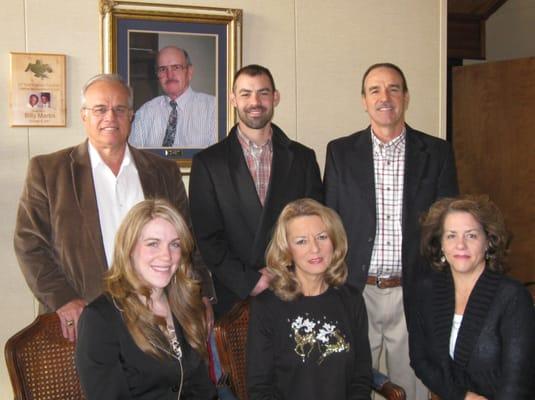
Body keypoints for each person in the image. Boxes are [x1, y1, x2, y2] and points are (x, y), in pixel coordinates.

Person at [14, 73, 214, 342]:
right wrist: (63, 298)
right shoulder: (49, 171)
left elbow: (188, 238)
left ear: (131, 115)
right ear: (84, 115)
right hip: (85, 317)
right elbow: (29, 244)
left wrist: (200, 292)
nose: (110, 117)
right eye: (100, 109)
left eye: (119, 109)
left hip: (158, 314)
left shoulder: (163, 171)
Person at [324, 62, 459, 399]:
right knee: (352, 385)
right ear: (363, 100)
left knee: (411, 388)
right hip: (357, 291)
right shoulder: (339, 152)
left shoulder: (437, 152)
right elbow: (330, 224)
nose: (385, 97)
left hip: (413, 293)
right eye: (375, 90)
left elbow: (449, 226)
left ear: (406, 97)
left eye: (393, 88)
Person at [189, 64, 323, 317]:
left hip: (294, 288)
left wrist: (284, 272)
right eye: (245, 93)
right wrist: (247, 280)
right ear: (233, 100)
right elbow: (205, 237)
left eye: (263, 93)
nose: (255, 102)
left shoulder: (303, 158)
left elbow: (314, 228)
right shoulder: (209, 163)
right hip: (235, 296)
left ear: (275, 97)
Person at [76, 199, 217, 399]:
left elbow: (203, 389)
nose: (166, 256)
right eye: (153, 244)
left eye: (175, 244)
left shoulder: (184, 304)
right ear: (130, 248)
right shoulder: (100, 319)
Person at [409, 195, 535, 400]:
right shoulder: (426, 291)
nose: (461, 245)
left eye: (471, 235)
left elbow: (518, 384)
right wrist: (462, 396)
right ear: (441, 244)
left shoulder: (513, 297)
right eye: (451, 235)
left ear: (488, 242)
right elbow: (420, 361)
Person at [247, 198, 371, 399]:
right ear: (287, 251)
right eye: (301, 241)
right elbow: (260, 389)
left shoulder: (352, 300)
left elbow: (361, 377)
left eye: (322, 237)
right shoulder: (266, 307)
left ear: (334, 241)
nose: (315, 248)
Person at [129, 46, 216, 148]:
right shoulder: (144, 113)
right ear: (157, 74)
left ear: (189, 72)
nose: (169, 75)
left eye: (176, 67)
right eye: (162, 69)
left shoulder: (213, 108)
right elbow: (134, 158)